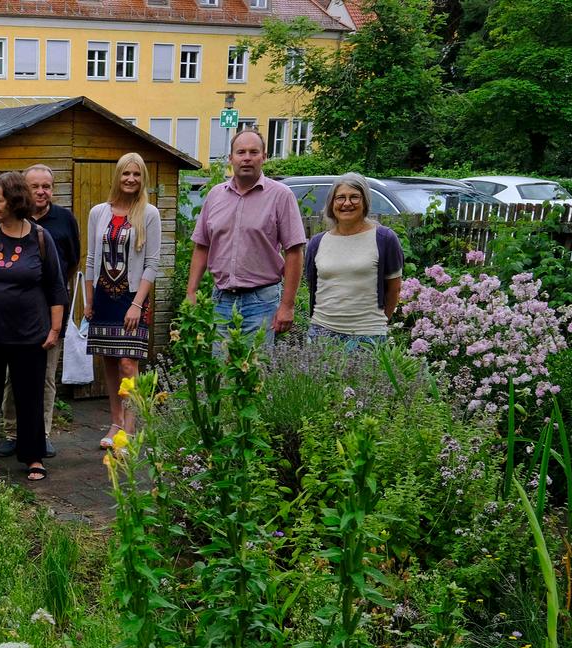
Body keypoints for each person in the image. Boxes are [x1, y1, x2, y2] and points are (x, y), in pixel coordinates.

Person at [0, 172, 66, 483]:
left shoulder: (41, 239)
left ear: (15, 201)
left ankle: (33, 457)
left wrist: (55, 329)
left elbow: (56, 287)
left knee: (29, 395)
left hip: (29, 333)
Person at [184, 129, 307, 345]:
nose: (247, 158)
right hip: (221, 300)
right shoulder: (215, 196)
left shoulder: (280, 196)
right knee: (221, 372)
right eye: (241, 152)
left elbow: (294, 252)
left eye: (254, 152)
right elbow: (202, 246)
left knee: (253, 370)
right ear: (231, 158)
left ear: (264, 157)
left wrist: (287, 305)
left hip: (261, 302)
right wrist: (191, 292)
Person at [0, 163, 81, 459]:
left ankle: (41, 434)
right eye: (35, 186)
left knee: (46, 375)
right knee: (12, 374)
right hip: (16, 311)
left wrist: (53, 293)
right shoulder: (12, 218)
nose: (42, 191)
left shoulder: (64, 220)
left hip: (51, 310)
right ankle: (11, 432)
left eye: (47, 186)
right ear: (24, 188)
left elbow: (73, 262)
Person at [83, 153, 161, 445]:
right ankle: (115, 423)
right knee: (111, 362)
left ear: (143, 179)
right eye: (126, 174)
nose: (130, 179)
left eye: (137, 174)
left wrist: (137, 304)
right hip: (103, 297)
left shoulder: (149, 213)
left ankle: (130, 428)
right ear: (118, 176)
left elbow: (152, 263)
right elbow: (91, 258)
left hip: (132, 298)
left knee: (129, 362)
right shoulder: (98, 212)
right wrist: (89, 300)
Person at [303, 173, 404, 349]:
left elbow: (393, 289)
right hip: (321, 332)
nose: (347, 203)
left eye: (354, 197)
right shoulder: (317, 243)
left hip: (367, 335)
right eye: (340, 197)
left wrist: (377, 324)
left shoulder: (384, 238)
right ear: (331, 203)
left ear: (365, 202)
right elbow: (313, 285)